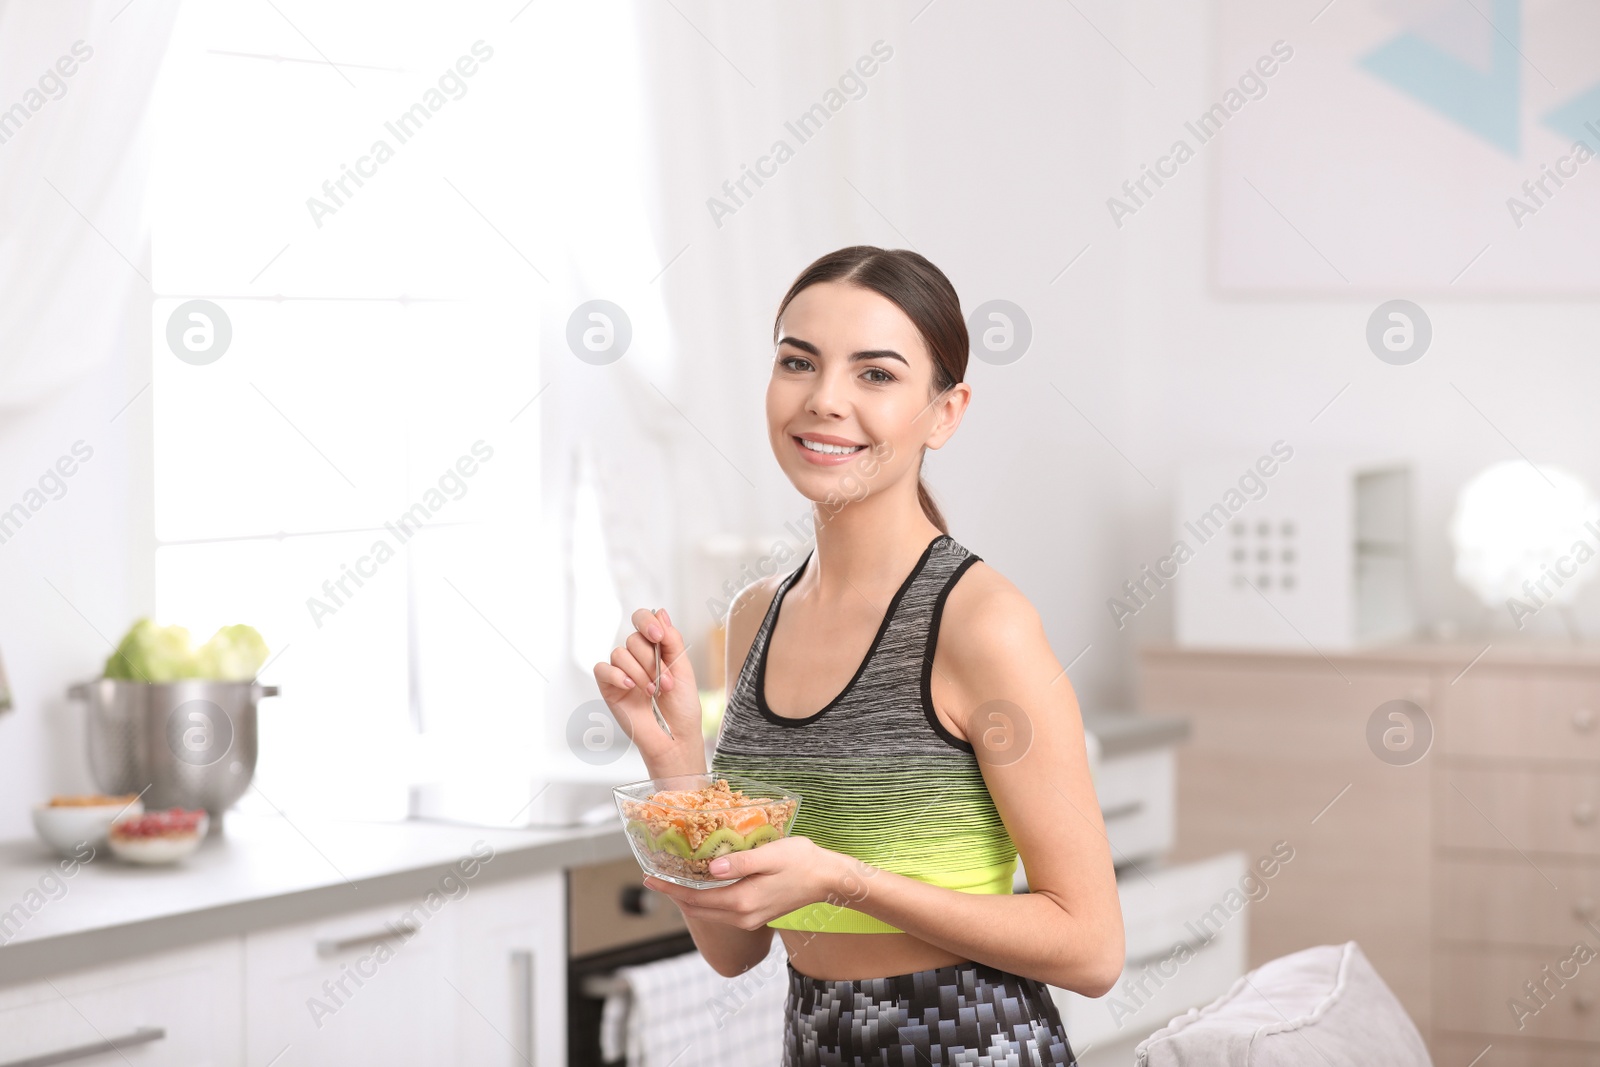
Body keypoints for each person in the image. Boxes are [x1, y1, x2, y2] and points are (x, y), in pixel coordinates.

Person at [594, 245, 1122, 1066]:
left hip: (970, 1042)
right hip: (814, 1041)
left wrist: (845, 880)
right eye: (798, 361)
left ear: (945, 412)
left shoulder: (980, 624)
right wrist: (677, 764)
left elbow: (1091, 947)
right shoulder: (757, 615)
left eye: (875, 374)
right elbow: (738, 951)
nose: (825, 400)